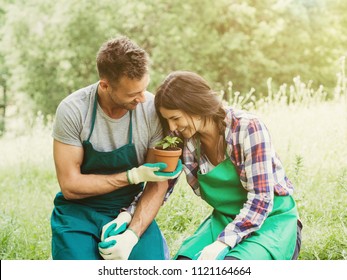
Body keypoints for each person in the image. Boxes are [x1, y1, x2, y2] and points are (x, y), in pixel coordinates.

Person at [51, 36, 182, 260]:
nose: (142, 99)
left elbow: (157, 185)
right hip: (78, 210)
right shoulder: (73, 110)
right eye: (133, 94)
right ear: (105, 85)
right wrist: (131, 176)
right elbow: (71, 185)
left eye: (144, 89)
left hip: (129, 208)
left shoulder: (151, 109)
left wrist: (132, 234)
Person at [154, 71, 302, 260]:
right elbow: (162, 185)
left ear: (195, 107)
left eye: (175, 118)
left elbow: (262, 199)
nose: (172, 127)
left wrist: (223, 242)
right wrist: (129, 219)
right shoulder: (184, 139)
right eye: (167, 120)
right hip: (225, 219)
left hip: (271, 221)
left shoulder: (248, 128)